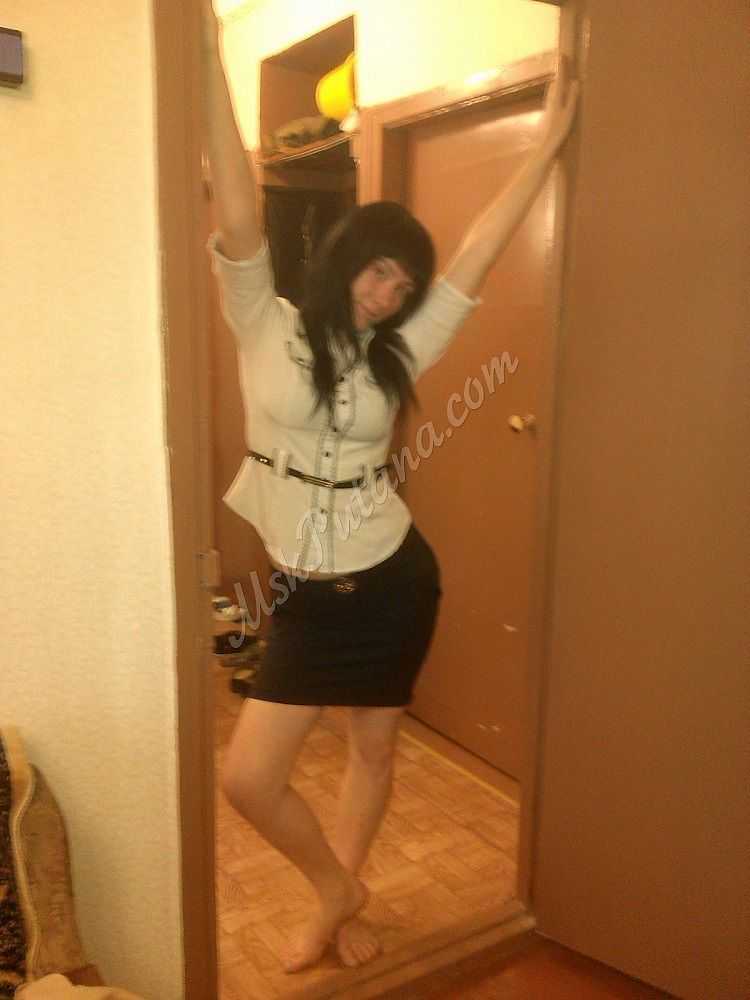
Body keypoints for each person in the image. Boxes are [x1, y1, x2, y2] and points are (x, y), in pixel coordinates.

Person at [202, 0, 579, 975]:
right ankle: (338, 888)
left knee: (374, 752)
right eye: (378, 273)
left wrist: (545, 145)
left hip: (393, 580)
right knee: (249, 779)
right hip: (306, 592)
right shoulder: (266, 321)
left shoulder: (399, 353)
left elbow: (479, 255)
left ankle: (337, 905)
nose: (387, 295)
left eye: (402, 286)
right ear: (345, 261)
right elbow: (238, 210)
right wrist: (202, 53)